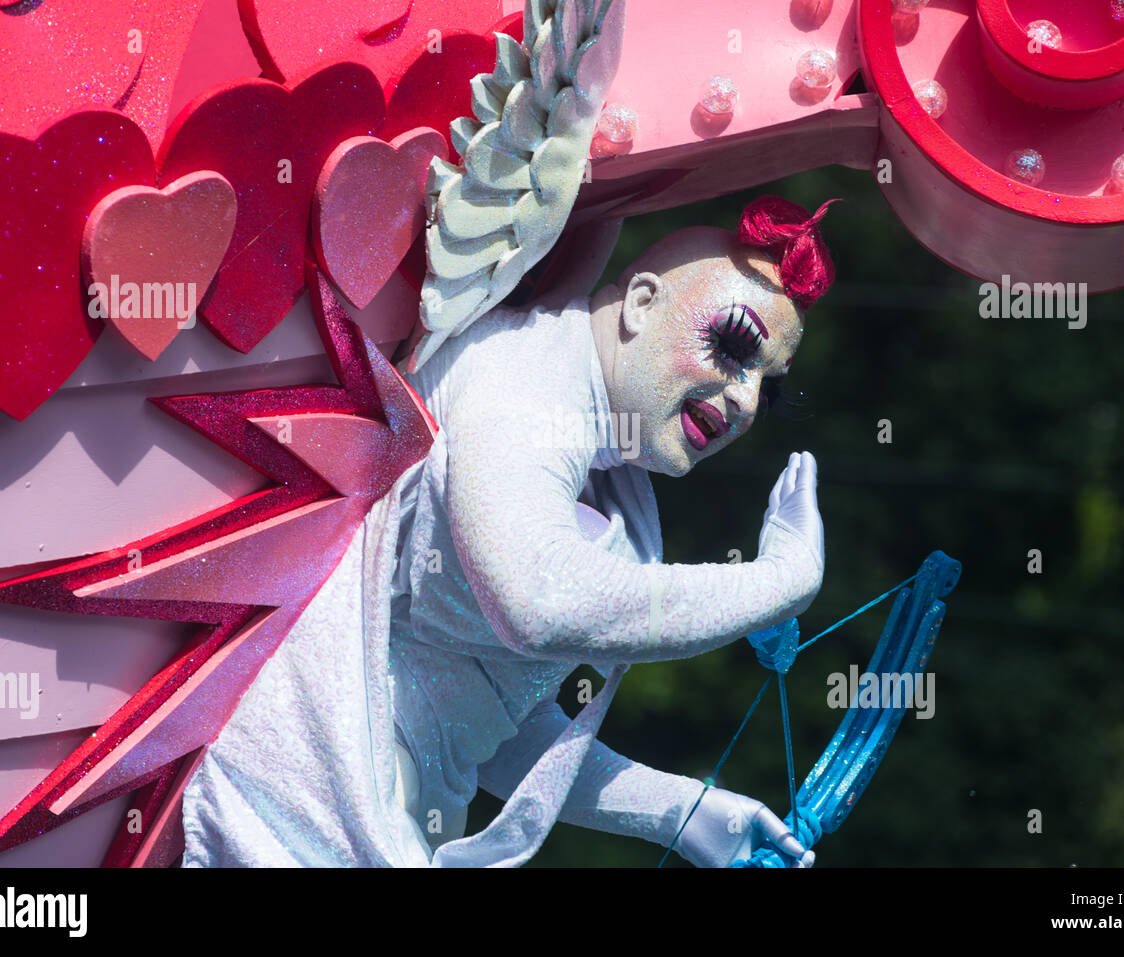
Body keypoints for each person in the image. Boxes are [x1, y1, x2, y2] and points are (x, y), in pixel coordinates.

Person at [180, 194, 836, 867]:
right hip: (288, 815)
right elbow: (540, 602)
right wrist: (780, 580)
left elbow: (481, 721)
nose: (746, 399)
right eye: (732, 345)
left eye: (770, 387)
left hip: (352, 827)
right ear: (641, 301)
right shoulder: (528, 384)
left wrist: (680, 811)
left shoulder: (607, 467)